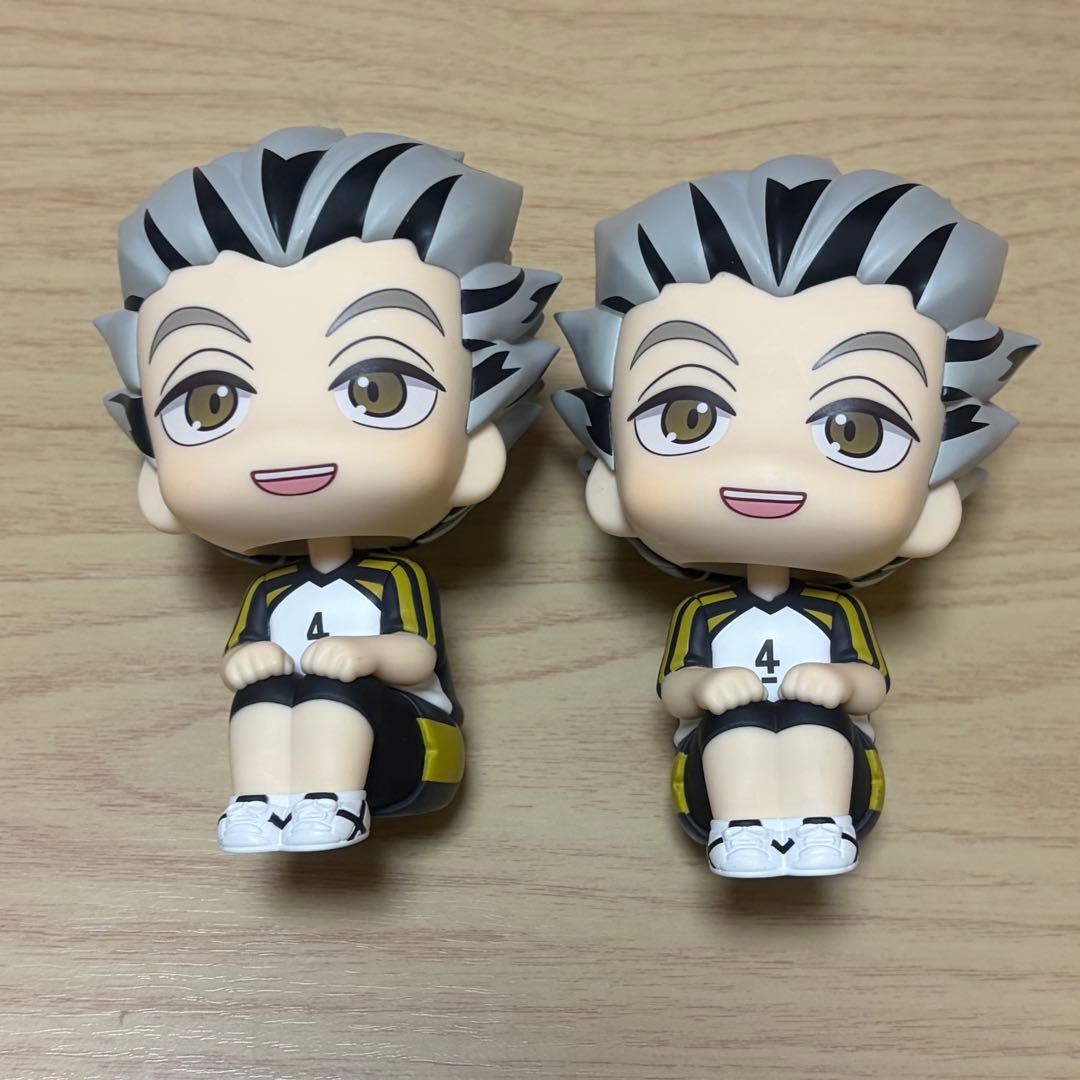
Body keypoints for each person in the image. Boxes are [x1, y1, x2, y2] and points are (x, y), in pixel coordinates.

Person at [555, 156, 1036, 878]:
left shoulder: (836, 613)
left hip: (828, 731)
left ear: (934, 505)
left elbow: (871, 684)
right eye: (688, 417)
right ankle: (742, 829)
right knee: (737, 737)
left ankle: (820, 823)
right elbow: (674, 689)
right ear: (609, 478)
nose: (766, 463)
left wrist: (840, 688)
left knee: (815, 733)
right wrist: (705, 691)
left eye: (856, 431)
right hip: (725, 733)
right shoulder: (704, 614)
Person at [98, 127, 559, 853]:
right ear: (155, 477)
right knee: (261, 696)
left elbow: (419, 658)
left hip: (406, 741)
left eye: (377, 390)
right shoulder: (268, 592)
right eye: (211, 402)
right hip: (300, 716)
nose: (289, 438)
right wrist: (245, 662)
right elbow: (244, 652)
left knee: (330, 693)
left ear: (476, 450)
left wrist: (367, 656)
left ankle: (332, 802)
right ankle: (259, 800)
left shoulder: (393, 580)